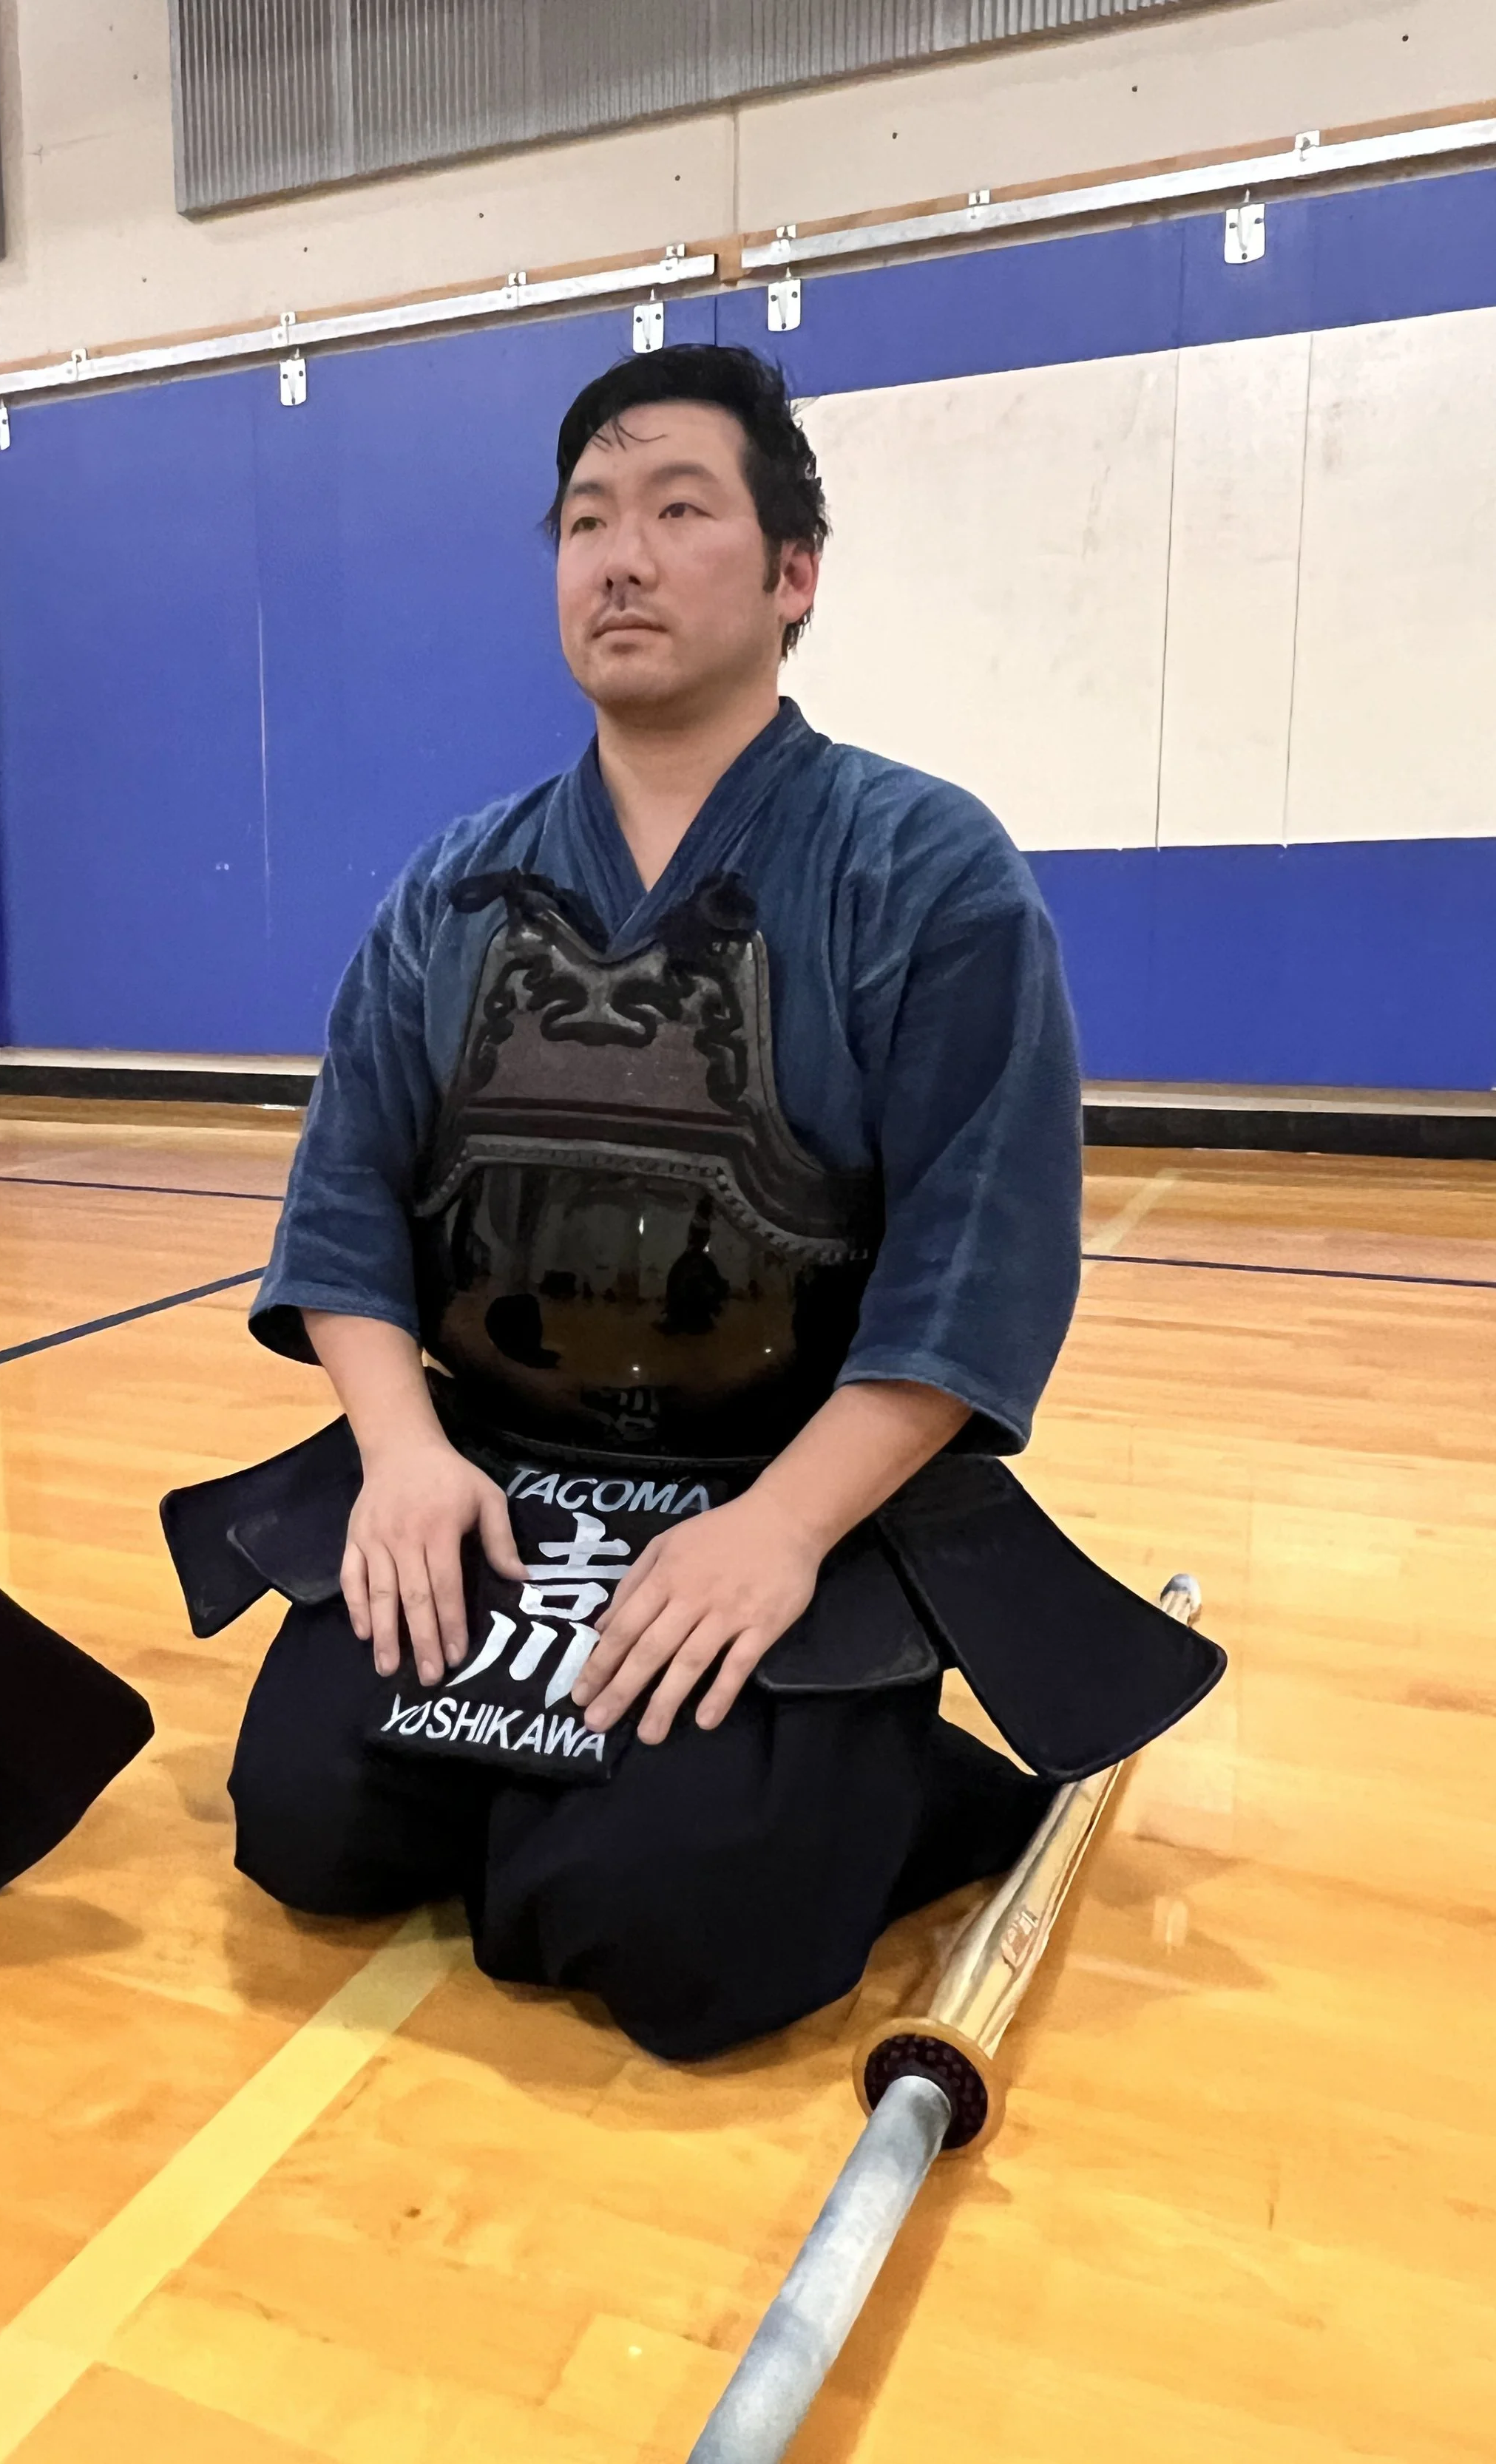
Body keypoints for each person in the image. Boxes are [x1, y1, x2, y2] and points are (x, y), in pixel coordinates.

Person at [163, 343, 1222, 2062]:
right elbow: (346, 1201)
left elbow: (972, 1269)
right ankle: (618, 1784)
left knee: (675, 1937)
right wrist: (405, 1455)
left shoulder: (924, 871)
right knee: (307, 1825)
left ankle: (897, 1777)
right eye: (584, 519)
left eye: (677, 510)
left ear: (792, 575)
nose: (620, 558)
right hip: (503, 1474)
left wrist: (781, 1532)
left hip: (786, 1486)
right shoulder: (450, 886)